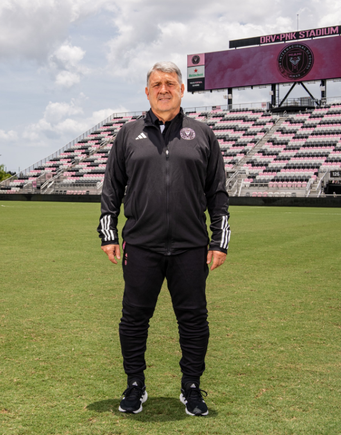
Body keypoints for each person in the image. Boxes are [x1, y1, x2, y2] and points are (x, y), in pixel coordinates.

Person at [97, 61, 230, 416]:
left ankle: (191, 387)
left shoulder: (202, 134)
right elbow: (112, 189)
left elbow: (217, 192)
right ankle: (135, 385)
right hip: (141, 246)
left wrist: (219, 240)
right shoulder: (128, 135)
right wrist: (108, 232)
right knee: (134, 320)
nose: (163, 89)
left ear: (182, 89)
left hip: (190, 247)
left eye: (170, 82)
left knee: (193, 320)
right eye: (156, 83)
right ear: (147, 91)